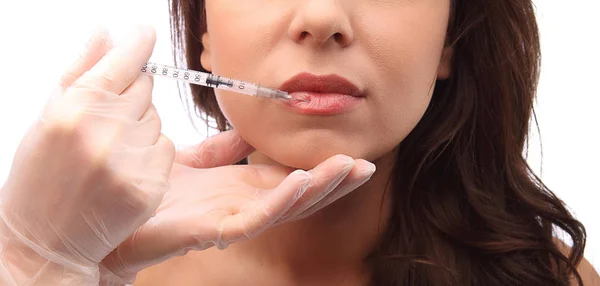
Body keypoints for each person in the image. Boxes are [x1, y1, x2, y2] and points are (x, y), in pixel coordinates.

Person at [0, 0, 598, 286]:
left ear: (449, 42)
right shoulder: (106, 265)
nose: (320, 16)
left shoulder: (549, 280)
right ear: (202, 38)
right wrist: (30, 264)